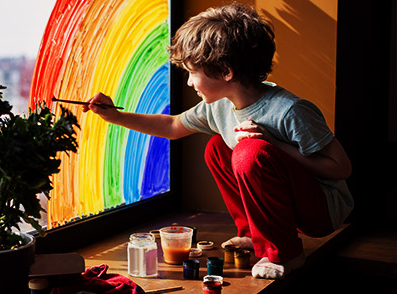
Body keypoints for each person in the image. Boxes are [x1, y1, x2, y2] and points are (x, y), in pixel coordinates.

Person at [82, 2, 353, 279]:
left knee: (251, 152)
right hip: (285, 203)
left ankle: (284, 253)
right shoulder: (219, 106)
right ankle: (252, 234)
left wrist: (275, 146)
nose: (188, 82)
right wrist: (115, 116)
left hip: (322, 210)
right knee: (218, 147)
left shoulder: (289, 110)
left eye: (192, 72)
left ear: (225, 71)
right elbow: (174, 125)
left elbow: (341, 168)